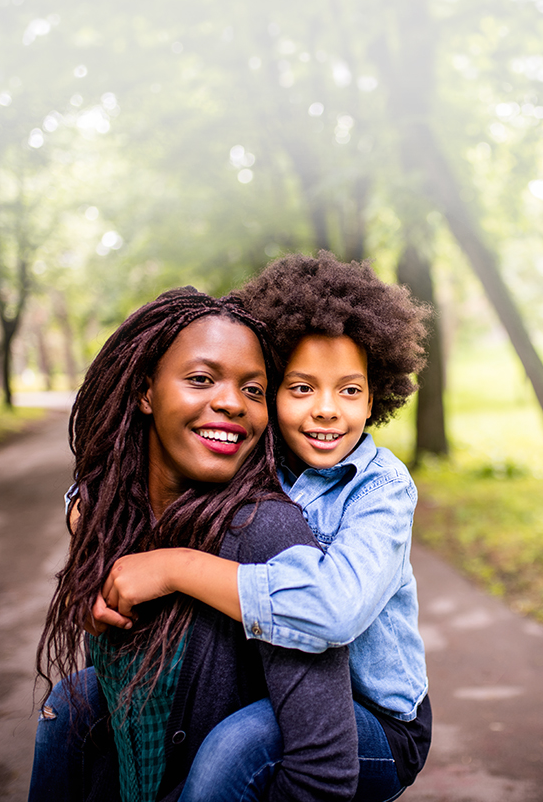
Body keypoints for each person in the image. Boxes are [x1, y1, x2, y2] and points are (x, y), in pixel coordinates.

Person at [96, 254, 432, 802]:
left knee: (241, 745)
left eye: (349, 390)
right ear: (272, 393)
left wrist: (175, 567)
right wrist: (100, 557)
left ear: (374, 398)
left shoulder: (382, 489)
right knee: (83, 706)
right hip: (279, 687)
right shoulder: (257, 460)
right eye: (302, 388)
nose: (327, 410)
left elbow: (335, 608)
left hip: (379, 723)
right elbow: (123, 483)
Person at [30, 286, 359, 802]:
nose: (231, 402)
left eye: (253, 390)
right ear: (145, 392)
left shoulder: (266, 534)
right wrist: (87, 569)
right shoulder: (114, 515)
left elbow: (325, 773)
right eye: (201, 379)